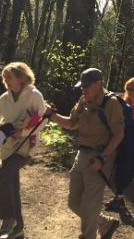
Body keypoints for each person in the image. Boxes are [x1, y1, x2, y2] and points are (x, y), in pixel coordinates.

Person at [48, 68, 123, 239]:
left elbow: (119, 134)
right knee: (74, 202)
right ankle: (106, 223)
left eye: (87, 85)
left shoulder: (111, 103)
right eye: (82, 85)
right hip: (82, 155)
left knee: (90, 203)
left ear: (99, 84)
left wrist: (102, 159)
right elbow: (70, 123)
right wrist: (52, 115)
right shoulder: (83, 101)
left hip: (101, 158)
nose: (83, 89)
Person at [0, 62, 46, 239]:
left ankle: (7, 218)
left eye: (9, 76)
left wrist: (21, 132)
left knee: (5, 176)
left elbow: (43, 121)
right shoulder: (4, 98)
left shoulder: (34, 95)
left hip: (25, 148)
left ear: (21, 77)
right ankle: (18, 230)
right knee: (12, 187)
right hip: (7, 149)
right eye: (4, 77)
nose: (5, 80)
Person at [105, 77, 134, 209]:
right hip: (127, 141)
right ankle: (119, 198)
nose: (129, 91)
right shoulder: (125, 102)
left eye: (132, 89)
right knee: (123, 167)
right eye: (127, 89)